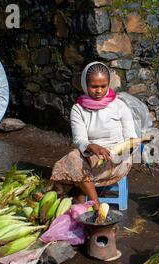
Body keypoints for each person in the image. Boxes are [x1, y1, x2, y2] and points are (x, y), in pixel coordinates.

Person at [50, 61, 138, 211]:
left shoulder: (120, 106)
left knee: (73, 170)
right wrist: (92, 146)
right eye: (94, 86)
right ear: (85, 84)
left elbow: (131, 138)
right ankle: (96, 205)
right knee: (73, 158)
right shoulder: (78, 109)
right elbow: (79, 139)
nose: (99, 91)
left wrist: (121, 152)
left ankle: (80, 193)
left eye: (103, 86)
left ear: (109, 84)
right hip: (90, 156)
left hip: (117, 160)